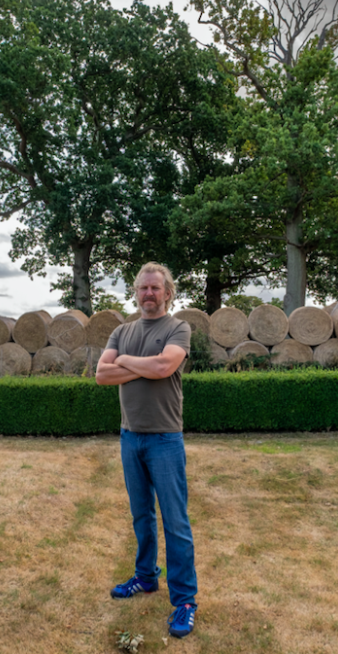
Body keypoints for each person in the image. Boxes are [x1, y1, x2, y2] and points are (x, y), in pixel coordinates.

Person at [95, 262, 198, 639]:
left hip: (164, 439)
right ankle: (145, 577)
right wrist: (144, 366)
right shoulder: (121, 330)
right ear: (135, 293)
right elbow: (101, 375)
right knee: (141, 517)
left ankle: (185, 600)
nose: (149, 294)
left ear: (168, 293)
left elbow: (164, 365)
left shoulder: (178, 328)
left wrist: (124, 361)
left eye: (156, 288)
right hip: (130, 437)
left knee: (175, 522)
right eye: (143, 288)